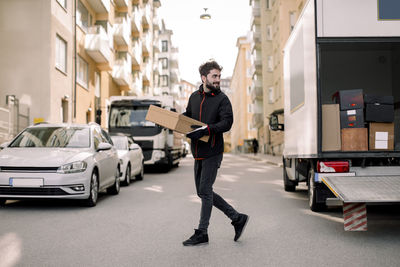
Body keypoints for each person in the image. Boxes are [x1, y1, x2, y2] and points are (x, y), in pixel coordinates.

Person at [182, 61, 249, 246]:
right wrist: (165, 121)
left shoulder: (222, 99)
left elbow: (227, 123)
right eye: (214, 76)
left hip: (213, 151)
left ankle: (202, 232)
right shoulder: (194, 97)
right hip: (197, 151)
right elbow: (186, 117)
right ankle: (237, 218)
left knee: (204, 191)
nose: (218, 80)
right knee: (203, 192)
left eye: (219, 76)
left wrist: (206, 130)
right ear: (204, 78)